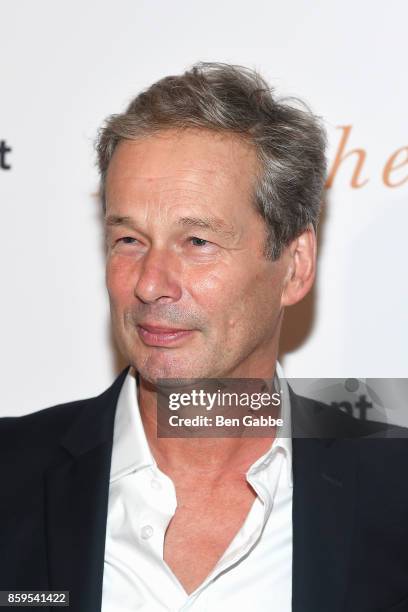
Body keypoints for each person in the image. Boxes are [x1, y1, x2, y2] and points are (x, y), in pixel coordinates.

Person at [1, 63, 408, 612]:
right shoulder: (11, 473)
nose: (148, 284)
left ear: (294, 266)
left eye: (196, 241)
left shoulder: (394, 489)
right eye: (128, 239)